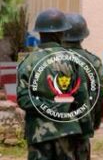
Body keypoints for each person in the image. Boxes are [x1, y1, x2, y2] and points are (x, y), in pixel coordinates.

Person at [17, 9, 86, 160]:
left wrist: (46, 106)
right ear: (61, 33)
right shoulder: (73, 60)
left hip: (39, 134)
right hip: (69, 131)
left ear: (40, 33)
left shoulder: (28, 61)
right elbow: (82, 98)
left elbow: (23, 99)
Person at [63, 13, 103, 158]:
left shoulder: (52, 60)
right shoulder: (94, 62)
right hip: (83, 126)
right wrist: (95, 123)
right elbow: (100, 95)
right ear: (83, 36)